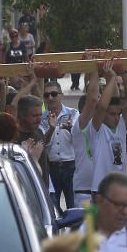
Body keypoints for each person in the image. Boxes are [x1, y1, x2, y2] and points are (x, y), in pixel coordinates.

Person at [90, 64, 127, 195]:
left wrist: (124, 73)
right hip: (101, 189)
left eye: (118, 114)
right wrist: (112, 79)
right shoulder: (96, 128)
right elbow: (102, 106)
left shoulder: (121, 125)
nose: (117, 118)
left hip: (121, 187)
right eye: (112, 114)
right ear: (104, 114)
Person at [41, 81, 79, 214]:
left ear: (61, 95)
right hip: (51, 167)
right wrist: (51, 129)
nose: (50, 98)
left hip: (71, 166)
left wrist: (71, 130)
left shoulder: (73, 113)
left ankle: (76, 234)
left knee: (74, 208)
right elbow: (42, 144)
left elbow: (80, 141)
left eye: (53, 94)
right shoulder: (40, 118)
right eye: (47, 95)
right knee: (53, 209)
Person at [72, 73, 100, 207]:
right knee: (88, 229)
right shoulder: (80, 124)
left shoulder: (104, 126)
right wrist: (94, 70)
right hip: (85, 193)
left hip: (104, 192)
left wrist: (111, 76)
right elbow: (93, 99)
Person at [16, 93, 49, 186]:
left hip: (43, 191)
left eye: (40, 115)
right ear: (22, 115)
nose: (39, 119)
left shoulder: (39, 132)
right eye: (34, 115)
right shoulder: (14, 136)